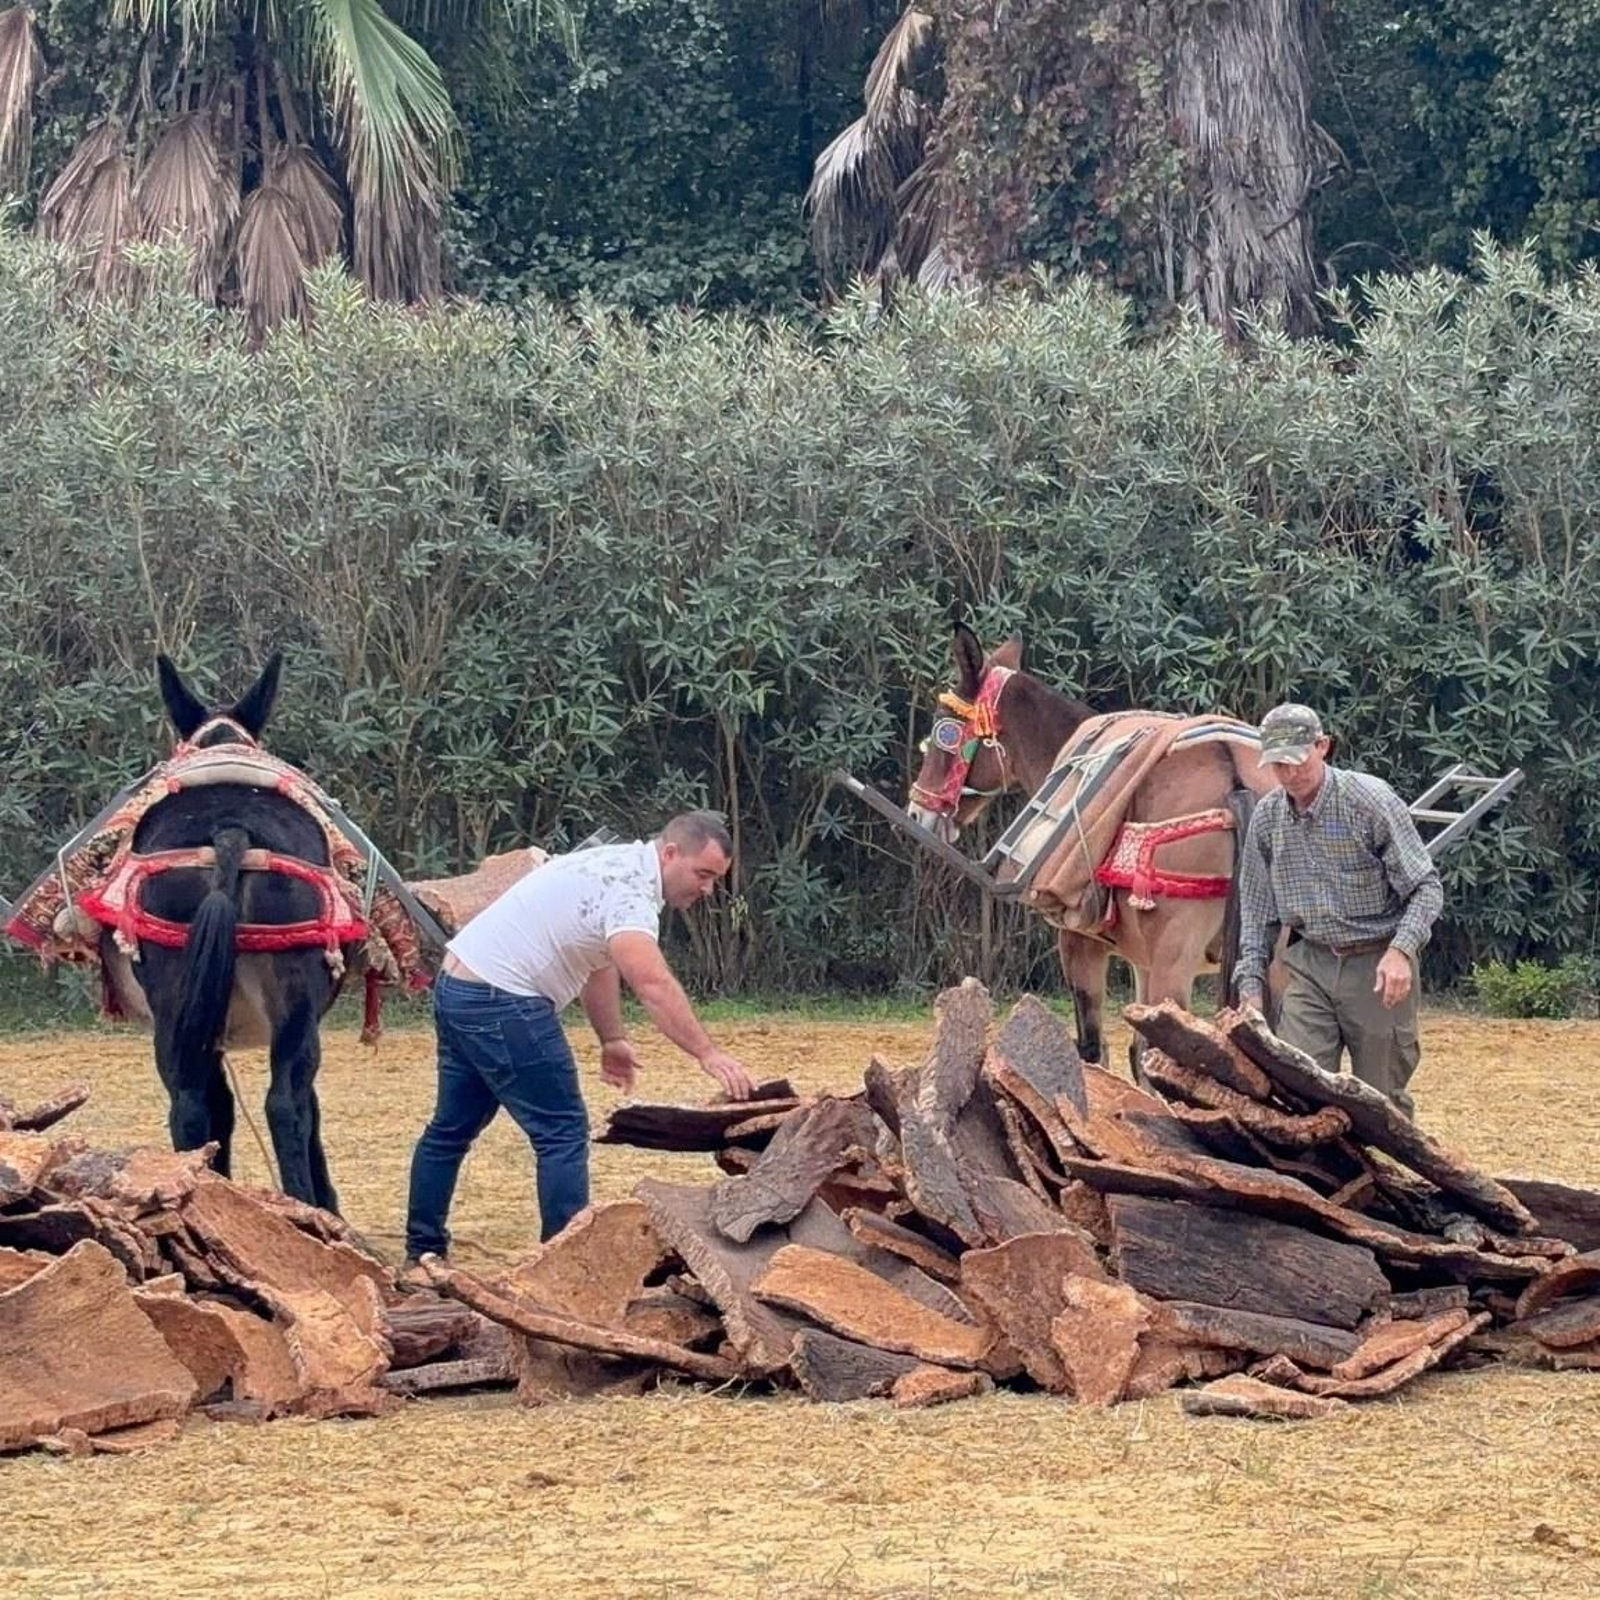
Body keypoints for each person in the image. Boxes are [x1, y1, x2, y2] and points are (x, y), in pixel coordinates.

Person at [404, 810, 756, 1266]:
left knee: (451, 1129)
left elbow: (600, 960)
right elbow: (652, 983)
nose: (707, 889)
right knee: (562, 1132)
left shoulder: (612, 863)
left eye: (715, 879)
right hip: (501, 999)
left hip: (459, 988)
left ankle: (422, 1252)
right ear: (671, 853)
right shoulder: (630, 893)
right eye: (703, 874)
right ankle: (565, 1267)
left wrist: (612, 1039)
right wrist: (708, 1054)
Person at [1233, 704, 1444, 1118]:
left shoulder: (1369, 801)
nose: (1290, 774)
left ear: (1322, 747)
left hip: (1377, 964)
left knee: (1381, 1104)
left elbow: (1426, 887)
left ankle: (1388, 1179)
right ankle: (1317, 1182)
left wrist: (1401, 952)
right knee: (1299, 1086)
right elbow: (1257, 912)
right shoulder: (1267, 818)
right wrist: (1251, 984)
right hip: (1310, 962)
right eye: (1278, 765)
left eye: (1297, 761)